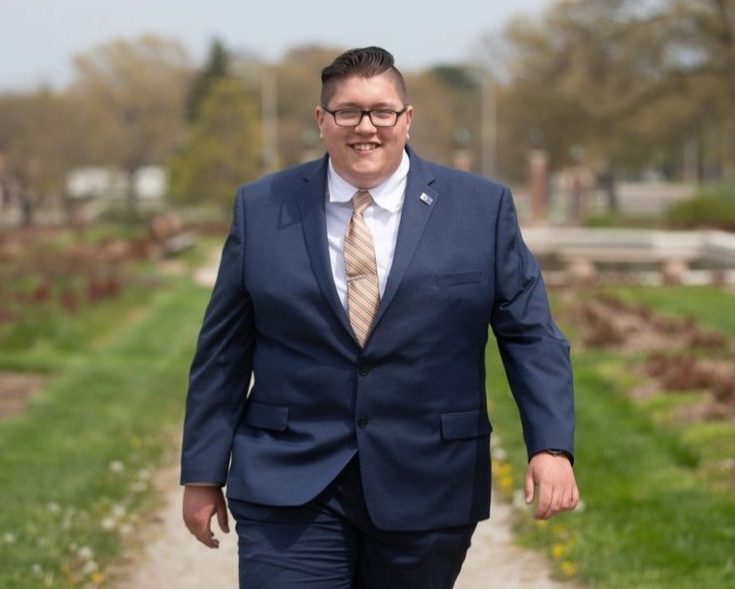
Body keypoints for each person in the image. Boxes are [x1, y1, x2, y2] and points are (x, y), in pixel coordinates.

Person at [180, 46, 578, 588]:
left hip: (429, 482)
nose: (365, 127)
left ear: (406, 119)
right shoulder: (261, 206)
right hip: (289, 481)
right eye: (347, 111)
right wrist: (202, 473)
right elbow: (223, 351)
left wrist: (551, 447)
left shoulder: (481, 210)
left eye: (381, 111)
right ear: (322, 121)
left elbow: (531, 335)